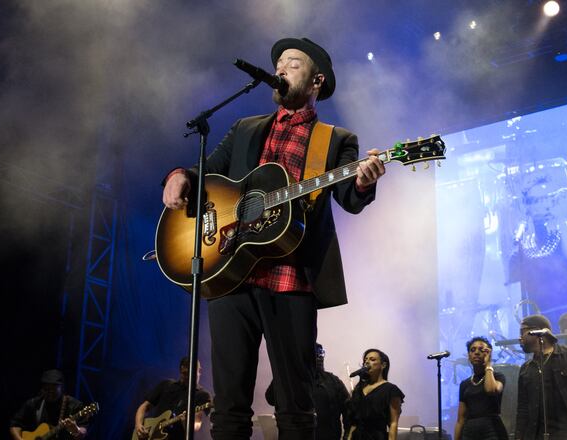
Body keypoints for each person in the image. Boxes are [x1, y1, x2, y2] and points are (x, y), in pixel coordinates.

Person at [161, 37, 385, 440]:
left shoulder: (335, 139)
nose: (280, 68)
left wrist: (365, 183)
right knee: (229, 408)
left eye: (293, 63)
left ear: (317, 80)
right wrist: (179, 176)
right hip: (231, 273)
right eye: (279, 63)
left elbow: (350, 198)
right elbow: (205, 176)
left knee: (295, 406)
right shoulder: (245, 129)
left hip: (292, 280)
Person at [507, 176, 567, 328]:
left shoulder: (561, 232)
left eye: (546, 198)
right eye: (536, 200)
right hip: (538, 320)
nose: (543, 204)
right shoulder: (523, 242)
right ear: (527, 206)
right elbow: (513, 281)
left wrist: (561, 218)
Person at [266, 343, 350, 440]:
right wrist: (283, 371)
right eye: (315, 353)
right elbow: (270, 399)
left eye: (321, 353)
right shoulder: (292, 379)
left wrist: (347, 435)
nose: (319, 357)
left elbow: (348, 410)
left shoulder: (333, 381)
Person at [134, 357, 212, 439]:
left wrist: (185, 422)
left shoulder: (203, 395)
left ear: (199, 371)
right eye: (185, 373)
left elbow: (197, 424)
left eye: (192, 373)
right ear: (180, 371)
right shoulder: (166, 385)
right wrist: (138, 425)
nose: (188, 377)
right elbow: (144, 406)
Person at [453, 336, 508, 440]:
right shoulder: (465, 384)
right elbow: (461, 419)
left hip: (492, 430)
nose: (476, 352)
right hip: (469, 432)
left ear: (488, 354)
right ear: (469, 356)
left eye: (482, 350)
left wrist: (488, 364)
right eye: (472, 350)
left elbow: (491, 389)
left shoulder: (498, 377)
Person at [9, 369, 88, 440]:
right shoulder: (33, 403)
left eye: (54, 388)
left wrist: (76, 430)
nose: (50, 391)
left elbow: (82, 433)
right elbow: (15, 425)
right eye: (46, 388)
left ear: (62, 387)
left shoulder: (74, 405)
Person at [345, 348, 404, 440]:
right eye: (365, 360)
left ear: (383, 365)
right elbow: (354, 422)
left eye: (372, 360)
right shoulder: (359, 389)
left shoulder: (391, 390)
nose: (367, 362)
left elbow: (393, 423)